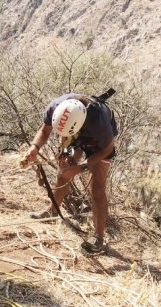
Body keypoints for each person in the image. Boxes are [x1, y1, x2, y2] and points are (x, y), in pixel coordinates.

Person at [22, 90, 118, 254]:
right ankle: (52, 211)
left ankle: (99, 238)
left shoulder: (99, 123)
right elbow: (44, 131)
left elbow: (108, 149)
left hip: (99, 144)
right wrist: (34, 148)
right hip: (74, 133)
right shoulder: (55, 107)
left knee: (96, 189)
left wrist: (81, 167)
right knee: (63, 171)